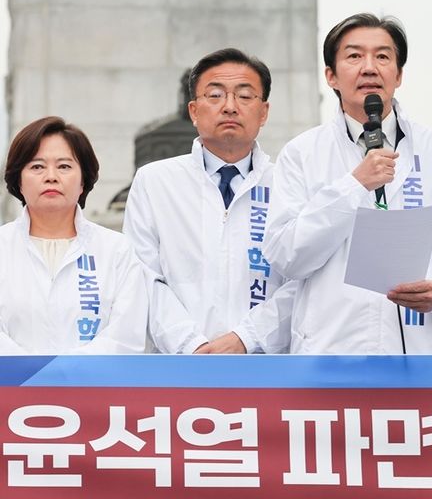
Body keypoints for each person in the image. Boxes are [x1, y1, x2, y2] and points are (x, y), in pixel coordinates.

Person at [263, 13, 432, 354]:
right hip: (332, 355)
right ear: (331, 76)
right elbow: (286, 255)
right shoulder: (302, 153)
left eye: (382, 57)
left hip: (422, 353)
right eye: (354, 56)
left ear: (398, 75)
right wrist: (354, 186)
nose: (369, 68)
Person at [123, 48, 292, 354]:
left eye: (244, 96)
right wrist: (191, 345)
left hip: (266, 366)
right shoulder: (155, 181)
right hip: (180, 365)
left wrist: (245, 339)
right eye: (215, 95)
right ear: (193, 110)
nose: (230, 107)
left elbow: (300, 280)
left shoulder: (288, 184)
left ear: (264, 112)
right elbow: (143, 276)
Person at [0, 116, 147, 354]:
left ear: (82, 182)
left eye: (64, 166)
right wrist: (32, 370)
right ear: (19, 181)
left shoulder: (116, 250)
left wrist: (65, 370)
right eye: (37, 167)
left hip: (93, 379)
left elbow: (125, 337)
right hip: (10, 378)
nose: (51, 176)